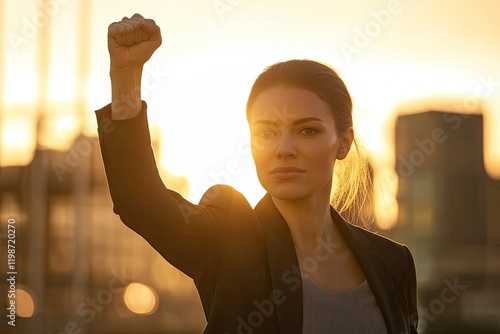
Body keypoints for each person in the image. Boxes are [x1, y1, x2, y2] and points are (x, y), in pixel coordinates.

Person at [96, 13, 418, 334]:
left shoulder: (393, 264)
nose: (284, 148)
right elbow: (140, 201)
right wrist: (126, 76)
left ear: (343, 143)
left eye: (307, 130)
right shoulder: (231, 241)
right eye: (266, 132)